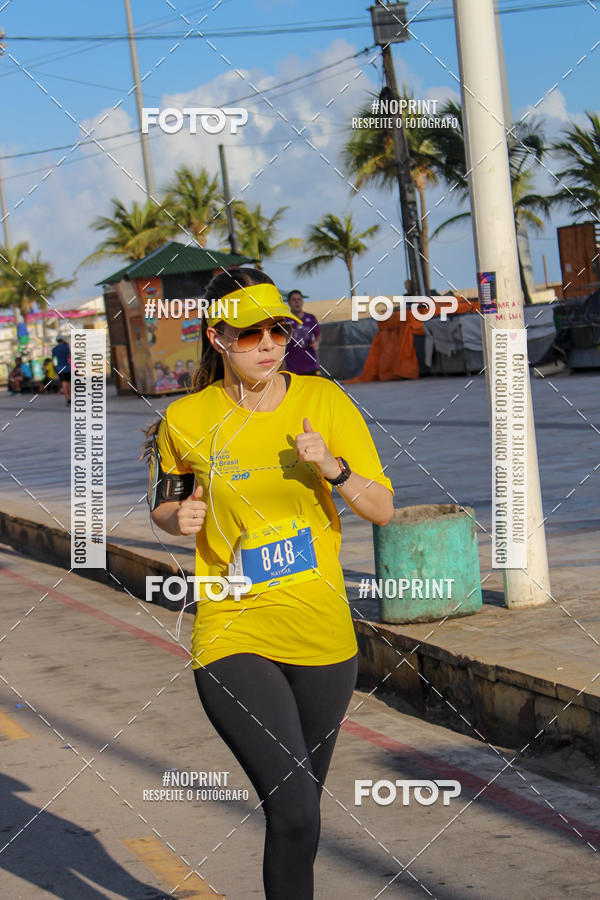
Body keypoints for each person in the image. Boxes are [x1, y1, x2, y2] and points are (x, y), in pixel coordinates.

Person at [142, 268, 393, 900]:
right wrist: (178, 519)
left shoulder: (323, 401)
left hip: (322, 633)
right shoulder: (186, 417)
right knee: (296, 810)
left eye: (278, 329)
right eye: (250, 333)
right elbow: (166, 504)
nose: (268, 343)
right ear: (218, 338)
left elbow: (382, 507)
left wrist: (332, 469)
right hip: (234, 626)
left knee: (297, 819)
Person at [283, 289, 321, 375]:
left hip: (311, 366)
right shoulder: (284, 320)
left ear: (302, 302)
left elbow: (318, 336)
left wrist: (317, 343)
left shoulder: (311, 318)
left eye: (299, 299)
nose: (297, 302)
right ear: (289, 302)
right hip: (292, 368)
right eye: (294, 300)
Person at [51, 335, 71, 406]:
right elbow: (70, 357)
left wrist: (54, 369)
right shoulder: (67, 347)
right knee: (69, 383)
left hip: (60, 368)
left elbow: (53, 360)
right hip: (68, 368)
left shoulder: (54, 349)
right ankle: (70, 398)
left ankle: (68, 400)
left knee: (64, 384)